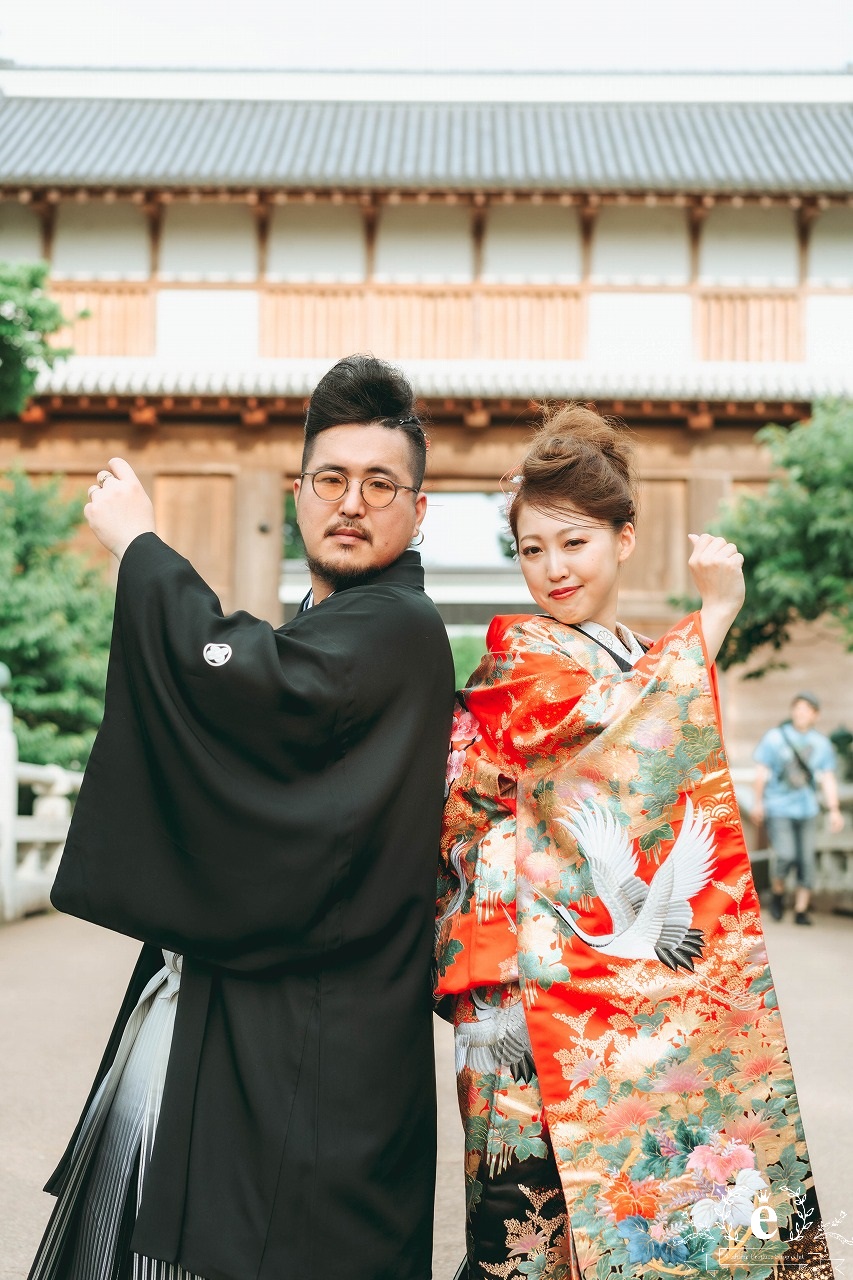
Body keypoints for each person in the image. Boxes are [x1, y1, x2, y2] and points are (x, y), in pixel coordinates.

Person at [29, 355, 456, 1280]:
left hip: (317, 1039)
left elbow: (250, 685)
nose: (352, 502)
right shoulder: (337, 621)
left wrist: (144, 551)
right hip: (259, 1017)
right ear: (296, 493)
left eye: (381, 485)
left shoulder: (399, 628)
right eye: (331, 479)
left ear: (418, 511)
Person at [436, 405, 834, 1280]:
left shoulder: (631, 652)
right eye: (531, 548)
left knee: (642, 1199)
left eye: (572, 543)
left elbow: (666, 769)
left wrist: (690, 641)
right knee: (528, 1220)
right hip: (519, 977)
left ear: (624, 537)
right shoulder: (521, 650)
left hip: (611, 968)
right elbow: (602, 730)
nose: (551, 568)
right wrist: (716, 616)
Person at [752, 693, 844, 925]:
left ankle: (801, 910)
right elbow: (761, 772)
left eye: (806, 710)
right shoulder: (775, 738)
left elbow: (828, 777)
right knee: (785, 855)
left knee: (806, 860)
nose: (801, 713)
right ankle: (778, 893)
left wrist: (834, 809)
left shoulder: (821, 744)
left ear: (815, 715)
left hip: (808, 809)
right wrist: (758, 802)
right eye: (798, 709)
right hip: (778, 807)